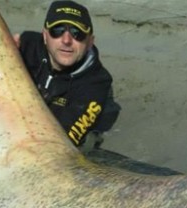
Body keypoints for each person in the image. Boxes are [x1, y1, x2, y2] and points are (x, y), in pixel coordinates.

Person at [14, 0, 121, 148]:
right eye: (57, 30)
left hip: (69, 125)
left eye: (77, 33)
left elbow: (62, 145)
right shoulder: (25, 46)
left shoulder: (97, 84)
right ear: (45, 35)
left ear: (90, 41)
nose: (66, 40)